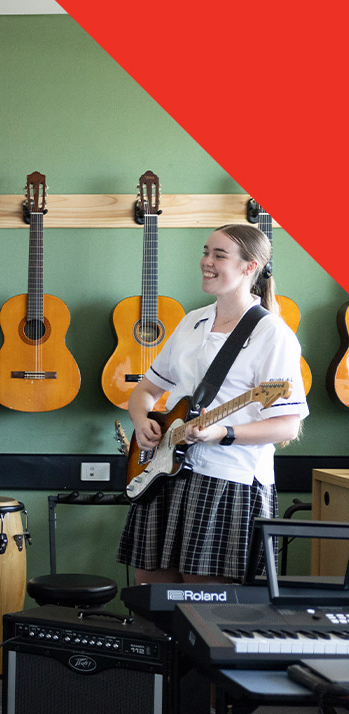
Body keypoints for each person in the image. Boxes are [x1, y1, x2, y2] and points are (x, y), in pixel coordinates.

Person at [119, 224, 307, 585]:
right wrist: (142, 420)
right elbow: (145, 389)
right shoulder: (192, 321)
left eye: (219, 255)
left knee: (206, 614)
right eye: (206, 252)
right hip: (164, 474)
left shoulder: (273, 333)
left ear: (249, 267)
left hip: (227, 481)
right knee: (150, 602)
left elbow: (287, 425)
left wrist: (223, 432)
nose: (206, 261)